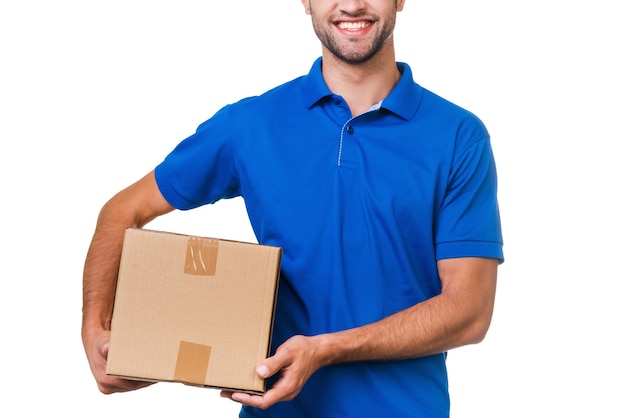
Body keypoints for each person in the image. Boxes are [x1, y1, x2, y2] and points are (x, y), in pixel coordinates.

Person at [82, 1, 504, 417]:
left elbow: (469, 312)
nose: (353, 5)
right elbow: (123, 211)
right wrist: (95, 328)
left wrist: (326, 349)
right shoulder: (251, 124)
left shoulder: (457, 136)